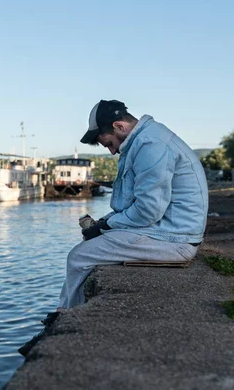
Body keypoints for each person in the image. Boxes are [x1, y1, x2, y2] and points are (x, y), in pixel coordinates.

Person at [18, 99, 209, 356]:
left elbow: (148, 211)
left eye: (109, 143)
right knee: (91, 245)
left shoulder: (150, 145)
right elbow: (133, 207)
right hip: (168, 230)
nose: (110, 151)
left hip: (174, 239)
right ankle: (65, 316)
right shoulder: (144, 141)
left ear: (119, 126)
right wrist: (105, 223)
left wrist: (106, 225)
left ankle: (64, 325)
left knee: (79, 257)